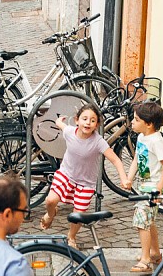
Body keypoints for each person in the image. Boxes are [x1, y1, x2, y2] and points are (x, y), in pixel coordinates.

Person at [38, 104, 130, 249]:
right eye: (84, 119)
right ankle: (50, 215)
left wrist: (124, 178)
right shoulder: (69, 132)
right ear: (77, 120)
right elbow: (61, 125)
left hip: (85, 183)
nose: (88, 123)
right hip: (66, 175)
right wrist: (59, 121)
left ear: (97, 125)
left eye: (92, 120)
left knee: (78, 214)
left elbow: (116, 160)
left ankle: (71, 237)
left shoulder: (98, 142)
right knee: (50, 200)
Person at [127, 101, 163, 273]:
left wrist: (159, 188)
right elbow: (137, 159)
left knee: (141, 221)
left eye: (136, 119)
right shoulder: (141, 137)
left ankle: (145, 260)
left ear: (149, 124)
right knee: (149, 221)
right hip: (144, 186)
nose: (132, 122)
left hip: (153, 188)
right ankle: (154, 253)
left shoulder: (156, 141)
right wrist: (129, 178)